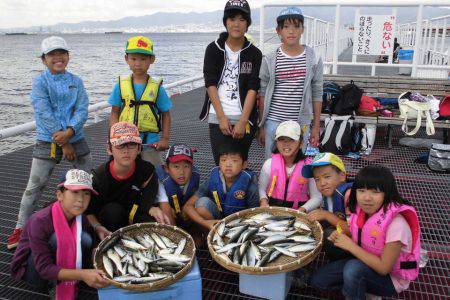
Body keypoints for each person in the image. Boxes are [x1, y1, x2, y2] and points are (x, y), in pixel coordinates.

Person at [8, 36, 92, 250]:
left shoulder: (77, 81)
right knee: (33, 188)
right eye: (52, 54)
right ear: (43, 59)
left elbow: (82, 109)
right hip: (48, 141)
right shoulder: (39, 82)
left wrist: (71, 131)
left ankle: (90, 220)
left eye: (62, 53)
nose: (58, 58)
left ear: (68, 56)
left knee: (88, 181)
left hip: (76, 136)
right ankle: (20, 228)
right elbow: (43, 112)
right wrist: (64, 142)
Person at [310, 166, 421, 299]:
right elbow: (357, 232)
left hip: (390, 278)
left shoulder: (397, 224)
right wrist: (339, 235)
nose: (367, 198)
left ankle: (358, 290)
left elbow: (384, 268)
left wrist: (350, 245)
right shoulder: (360, 210)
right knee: (318, 281)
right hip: (364, 260)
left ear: (387, 193)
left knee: (353, 269)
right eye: (361, 191)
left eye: (375, 192)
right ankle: (356, 286)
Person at [11, 169, 109, 298]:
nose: (81, 199)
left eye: (86, 193)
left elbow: (92, 245)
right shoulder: (40, 221)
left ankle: (73, 274)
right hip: (35, 271)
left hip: (57, 265)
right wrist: (82, 274)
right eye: (74, 192)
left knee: (86, 239)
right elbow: (44, 268)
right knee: (58, 239)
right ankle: (53, 285)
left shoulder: (81, 218)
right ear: (59, 195)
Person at [85, 122, 172, 241]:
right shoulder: (99, 177)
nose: (126, 151)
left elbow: (145, 203)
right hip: (108, 222)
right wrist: (97, 227)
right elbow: (88, 211)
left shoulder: (147, 171)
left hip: (134, 212)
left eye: (131, 144)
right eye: (120, 145)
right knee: (112, 212)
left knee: (154, 219)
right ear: (109, 149)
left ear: (139, 148)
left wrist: (152, 208)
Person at [200, 0, 262, 165]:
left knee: (241, 164)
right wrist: (221, 117)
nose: (236, 24)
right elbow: (210, 83)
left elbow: (253, 87)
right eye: (232, 18)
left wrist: (243, 120)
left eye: (242, 19)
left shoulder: (255, 53)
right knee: (221, 165)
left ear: (247, 24)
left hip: (244, 118)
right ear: (225, 21)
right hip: (218, 116)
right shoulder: (213, 49)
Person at [258, 6, 323, 159]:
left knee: (297, 166)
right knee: (272, 165)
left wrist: (315, 126)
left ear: (303, 29)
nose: (291, 31)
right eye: (286, 27)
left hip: (301, 122)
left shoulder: (314, 59)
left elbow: (317, 92)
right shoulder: (269, 59)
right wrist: (261, 126)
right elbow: (262, 93)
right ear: (278, 31)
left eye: (296, 26)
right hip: (273, 121)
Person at [108, 35, 172, 167]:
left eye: (143, 59)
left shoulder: (157, 88)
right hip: (125, 141)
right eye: (133, 58)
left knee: (152, 172)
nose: (138, 63)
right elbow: (114, 113)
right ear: (126, 59)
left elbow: (166, 114)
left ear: (151, 60)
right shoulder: (120, 85)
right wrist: (113, 137)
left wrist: (165, 139)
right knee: (125, 172)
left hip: (150, 142)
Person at [183, 142, 259, 232]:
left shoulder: (250, 187)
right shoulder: (213, 180)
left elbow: (255, 215)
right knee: (202, 203)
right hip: (217, 220)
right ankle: (209, 237)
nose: (228, 164)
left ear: (244, 165)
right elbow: (188, 206)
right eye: (223, 160)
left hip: (240, 223)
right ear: (219, 162)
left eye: (234, 160)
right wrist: (204, 223)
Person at [259, 120, 321, 212]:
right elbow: (262, 189)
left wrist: (301, 210)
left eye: (291, 140)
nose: (286, 143)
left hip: (298, 213)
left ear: (301, 144)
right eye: (282, 139)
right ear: (276, 142)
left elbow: (317, 197)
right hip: (273, 212)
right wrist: (263, 201)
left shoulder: (309, 167)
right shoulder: (269, 164)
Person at [302, 152, 353, 261]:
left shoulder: (349, 195)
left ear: (342, 176)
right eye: (317, 179)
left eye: (327, 177)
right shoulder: (329, 193)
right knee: (311, 224)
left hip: (358, 247)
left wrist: (326, 215)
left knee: (328, 236)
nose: (322, 183)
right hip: (341, 228)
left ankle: (344, 262)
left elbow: (353, 230)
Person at [156, 144, 200, 226]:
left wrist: (189, 207)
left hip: (185, 213)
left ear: (192, 167)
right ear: (166, 168)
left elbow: (198, 194)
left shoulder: (195, 176)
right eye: (176, 166)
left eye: (186, 166)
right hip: (168, 215)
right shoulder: (160, 181)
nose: (182, 172)